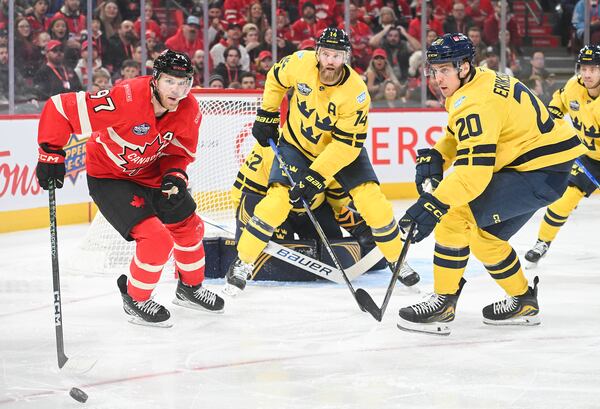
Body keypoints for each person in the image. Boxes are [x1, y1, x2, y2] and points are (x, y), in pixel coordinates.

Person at [396, 33, 586, 335]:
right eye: (434, 69)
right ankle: (524, 302)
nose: (438, 78)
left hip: (537, 171)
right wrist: (438, 154)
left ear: (464, 66)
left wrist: (432, 205)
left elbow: (474, 173)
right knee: (484, 238)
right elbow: (458, 131)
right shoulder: (479, 80)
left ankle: (443, 303)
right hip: (543, 167)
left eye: (445, 69)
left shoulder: (475, 102)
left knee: (454, 218)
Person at [35, 50, 225, 327]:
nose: (177, 89)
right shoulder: (125, 99)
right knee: (156, 239)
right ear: (156, 79)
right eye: (170, 81)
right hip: (110, 177)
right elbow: (60, 108)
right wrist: (50, 153)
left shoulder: (189, 109)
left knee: (191, 226)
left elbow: (177, 152)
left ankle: (190, 289)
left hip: (152, 175)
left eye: (184, 83)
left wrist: (174, 176)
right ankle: (136, 298)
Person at [223, 28, 414, 296]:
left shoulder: (356, 93)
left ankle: (397, 259)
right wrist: (267, 113)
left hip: (343, 150)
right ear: (318, 53)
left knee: (373, 201)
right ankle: (243, 261)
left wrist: (316, 175)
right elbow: (276, 78)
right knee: (277, 200)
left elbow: (346, 146)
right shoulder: (300, 63)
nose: (330, 61)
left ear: (346, 58)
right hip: (296, 145)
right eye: (326, 53)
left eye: (337, 55)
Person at [229, 141, 419, 290]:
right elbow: (244, 192)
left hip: (314, 210)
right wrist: (246, 226)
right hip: (275, 214)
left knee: (339, 252)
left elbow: (338, 202)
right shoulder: (271, 149)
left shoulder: (334, 154)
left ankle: (384, 253)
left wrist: (362, 229)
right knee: (272, 258)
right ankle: (245, 259)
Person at [524, 45, 600, 267]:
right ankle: (542, 243)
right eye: (584, 68)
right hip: (588, 158)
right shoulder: (574, 86)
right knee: (563, 200)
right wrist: (552, 117)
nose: (587, 74)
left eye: (594, 68)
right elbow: (559, 102)